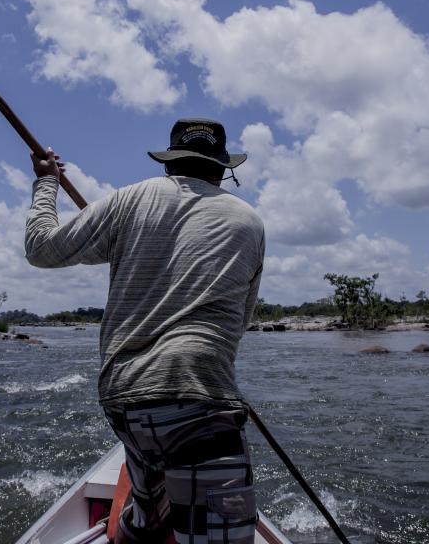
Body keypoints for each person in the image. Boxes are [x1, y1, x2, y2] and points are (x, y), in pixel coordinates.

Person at [25, 117, 265, 544]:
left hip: (125, 399)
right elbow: (240, 322)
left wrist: (47, 183)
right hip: (200, 396)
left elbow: (42, 248)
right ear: (223, 169)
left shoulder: (127, 201)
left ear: (170, 164)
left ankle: (142, 521)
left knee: (149, 511)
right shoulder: (248, 221)